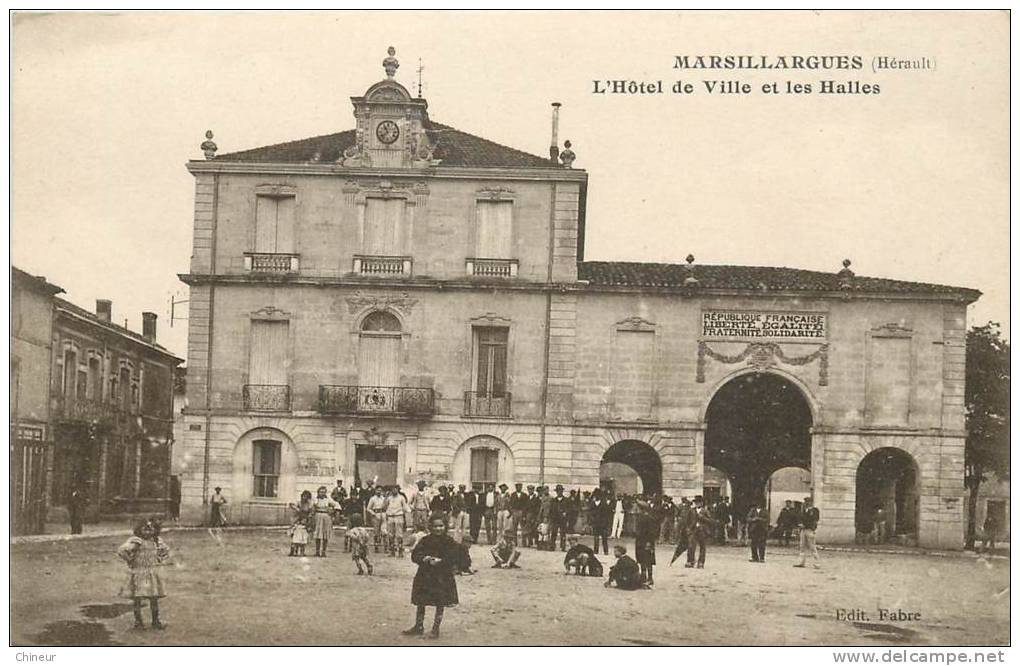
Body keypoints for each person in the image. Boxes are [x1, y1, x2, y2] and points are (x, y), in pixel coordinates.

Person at [404, 514, 461, 639]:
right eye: (435, 526)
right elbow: (415, 554)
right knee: (421, 600)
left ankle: (436, 628)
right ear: (430, 527)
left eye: (441, 526)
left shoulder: (449, 541)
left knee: (440, 601)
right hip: (426, 575)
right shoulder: (425, 540)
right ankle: (419, 625)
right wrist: (425, 559)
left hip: (442, 577)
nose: (438, 529)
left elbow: (455, 557)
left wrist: (442, 561)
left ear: (445, 526)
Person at [117, 518, 171, 630]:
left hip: (152, 572)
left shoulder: (156, 541)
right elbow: (122, 551)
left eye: (150, 530)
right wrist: (130, 560)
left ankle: (155, 621)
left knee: (154, 598)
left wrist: (160, 558)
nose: (147, 532)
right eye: (144, 530)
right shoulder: (136, 541)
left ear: (155, 530)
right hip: (139, 572)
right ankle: (138, 622)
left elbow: (166, 550)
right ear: (139, 530)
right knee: (137, 598)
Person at [685, 496, 716, 569]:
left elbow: (711, 521)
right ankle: (690, 561)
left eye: (698, 502)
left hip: (702, 531)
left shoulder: (705, 511)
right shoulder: (691, 510)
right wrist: (688, 528)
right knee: (691, 546)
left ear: (702, 503)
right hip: (693, 530)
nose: (697, 504)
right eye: (696, 502)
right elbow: (687, 521)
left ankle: (701, 562)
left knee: (702, 547)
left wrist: (703, 518)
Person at [634, 498, 658, 586]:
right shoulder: (640, 517)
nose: (636, 509)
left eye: (638, 508)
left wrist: (649, 543)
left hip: (646, 542)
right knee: (641, 559)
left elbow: (652, 532)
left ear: (642, 508)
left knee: (648, 560)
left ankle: (650, 578)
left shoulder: (649, 518)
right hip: (640, 541)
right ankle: (643, 576)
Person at [312, 486, 340, 557]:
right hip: (318, 517)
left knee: (325, 535)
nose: (322, 493)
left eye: (324, 492)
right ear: (318, 492)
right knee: (318, 535)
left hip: (326, 517)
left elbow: (337, 505)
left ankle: (323, 552)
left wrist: (333, 511)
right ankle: (317, 551)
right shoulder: (315, 499)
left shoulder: (328, 500)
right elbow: (312, 508)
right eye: (321, 492)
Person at [794, 496, 821, 569]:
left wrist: (806, 525)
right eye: (806, 502)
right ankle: (801, 562)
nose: (806, 503)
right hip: (803, 530)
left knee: (812, 547)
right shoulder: (803, 510)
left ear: (811, 502)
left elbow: (814, 520)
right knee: (802, 546)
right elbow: (799, 518)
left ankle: (817, 563)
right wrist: (800, 524)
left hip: (809, 530)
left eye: (808, 502)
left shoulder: (815, 510)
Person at [385, 486, 409, 556]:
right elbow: (384, 507)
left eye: (395, 489)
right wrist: (386, 497)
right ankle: (391, 551)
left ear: (398, 490)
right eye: (392, 489)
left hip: (398, 516)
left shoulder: (401, 497)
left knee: (399, 535)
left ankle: (400, 551)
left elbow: (405, 507)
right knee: (390, 534)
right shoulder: (389, 498)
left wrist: (405, 516)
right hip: (390, 516)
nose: (394, 490)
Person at [288, 490, 313, 556]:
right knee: (294, 537)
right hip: (297, 521)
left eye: (306, 497)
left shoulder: (309, 505)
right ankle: (293, 551)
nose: (304, 498)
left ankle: (302, 552)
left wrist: (308, 521)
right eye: (303, 496)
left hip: (304, 522)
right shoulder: (298, 503)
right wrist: (296, 509)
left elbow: (310, 513)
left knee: (303, 538)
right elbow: (292, 506)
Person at [588, 488, 612, 555]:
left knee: (604, 538)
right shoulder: (592, 503)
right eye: (596, 495)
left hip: (603, 523)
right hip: (595, 523)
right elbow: (590, 513)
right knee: (596, 537)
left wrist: (607, 523)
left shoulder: (604, 503)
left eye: (599, 495)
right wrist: (591, 521)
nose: (597, 496)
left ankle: (606, 551)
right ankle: (596, 551)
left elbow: (607, 514)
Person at [367, 485, 388, 550]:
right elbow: (368, 508)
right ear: (375, 491)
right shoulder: (372, 499)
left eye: (380, 490)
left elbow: (386, 506)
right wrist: (373, 513)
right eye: (378, 490)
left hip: (383, 514)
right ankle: (376, 546)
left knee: (384, 531)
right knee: (376, 531)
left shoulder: (383, 498)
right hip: (376, 515)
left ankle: (385, 547)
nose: (379, 492)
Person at [549, 484, 569, 551]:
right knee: (554, 533)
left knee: (563, 533)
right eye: (558, 491)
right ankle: (552, 546)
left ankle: (563, 547)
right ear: (556, 492)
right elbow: (551, 510)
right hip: (555, 519)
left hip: (563, 520)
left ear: (562, 491)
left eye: (560, 490)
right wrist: (551, 519)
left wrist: (566, 513)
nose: (559, 492)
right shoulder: (553, 500)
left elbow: (569, 509)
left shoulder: (566, 500)